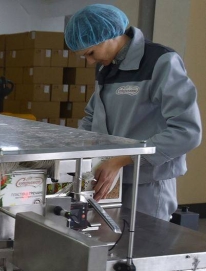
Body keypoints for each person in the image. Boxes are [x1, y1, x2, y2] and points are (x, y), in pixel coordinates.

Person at [65, 4, 201, 220]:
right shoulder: (106, 66)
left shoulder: (161, 62)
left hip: (146, 184)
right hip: (108, 177)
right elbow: (93, 115)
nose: (90, 61)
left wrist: (121, 159)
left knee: (140, 247)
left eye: (91, 53)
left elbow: (187, 132)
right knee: (109, 245)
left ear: (110, 35)